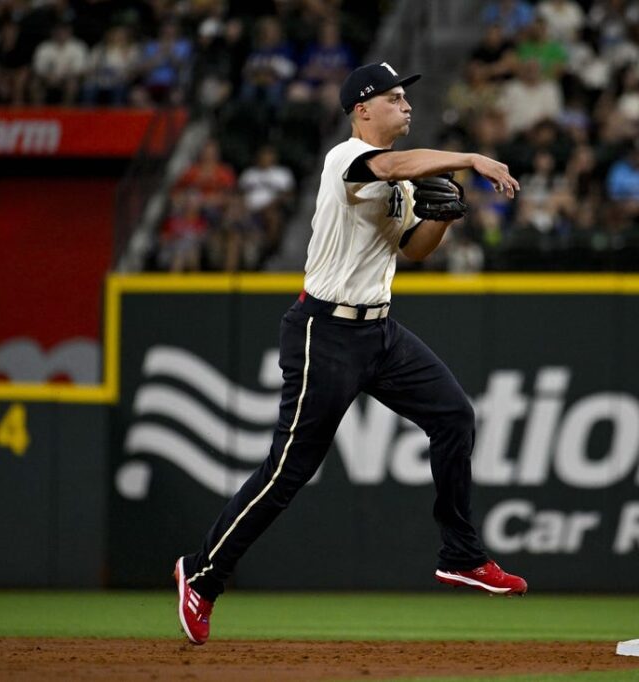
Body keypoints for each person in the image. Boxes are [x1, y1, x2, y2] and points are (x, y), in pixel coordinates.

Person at [174, 61, 527, 646]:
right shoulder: (346, 158)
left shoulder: (403, 181)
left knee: (454, 416)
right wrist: (471, 159)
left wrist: (441, 217)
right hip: (325, 331)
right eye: (393, 98)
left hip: (380, 332)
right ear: (363, 110)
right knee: (289, 471)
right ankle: (203, 573)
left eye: (406, 97)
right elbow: (387, 167)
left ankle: (461, 555)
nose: (406, 105)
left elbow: (413, 249)